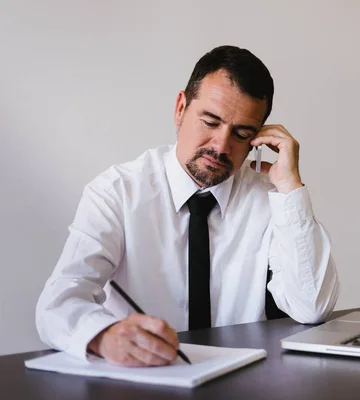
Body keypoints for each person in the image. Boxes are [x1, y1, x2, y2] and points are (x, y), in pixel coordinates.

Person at [35, 45, 340, 367]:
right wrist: (103, 336)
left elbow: (313, 306)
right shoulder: (117, 192)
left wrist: (291, 189)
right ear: (181, 108)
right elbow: (59, 302)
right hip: (145, 377)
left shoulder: (271, 197)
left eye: (241, 133)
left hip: (242, 378)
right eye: (210, 121)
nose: (221, 146)